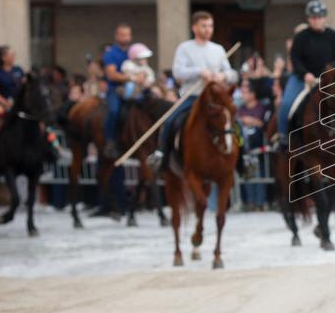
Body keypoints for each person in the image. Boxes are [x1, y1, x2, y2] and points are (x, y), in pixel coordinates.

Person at [148, 11, 238, 172]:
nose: (208, 29)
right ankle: (161, 154)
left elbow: (232, 74)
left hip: (214, 99)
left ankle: (244, 159)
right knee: (170, 121)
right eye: (204, 26)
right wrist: (199, 72)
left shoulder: (218, 49)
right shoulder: (185, 48)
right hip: (192, 97)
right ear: (194, 28)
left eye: (210, 26)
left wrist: (220, 75)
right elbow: (177, 72)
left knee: (235, 122)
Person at [276, 0, 335, 145]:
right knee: (287, 103)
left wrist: (331, 69)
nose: (316, 20)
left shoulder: (334, 36)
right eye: (313, 17)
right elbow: (295, 58)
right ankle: (282, 136)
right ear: (308, 19)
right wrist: (304, 74)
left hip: (328, 80)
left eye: (319, 17)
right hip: (303, 78)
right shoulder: (301, 37)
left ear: (325, 18)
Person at [101, 24, 135, 159]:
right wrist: (132, 77)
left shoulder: (133, 52)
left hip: (134, 89)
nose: (125, 38)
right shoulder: (110, 54)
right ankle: (110, 141)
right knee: (114, 111)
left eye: (128, 35)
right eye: (122, 35)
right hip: (115, 89)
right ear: (116, 36)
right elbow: (112, 75)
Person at [237, 82, 269, 209]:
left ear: (252, 94)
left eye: (244, 92)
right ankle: (250, 202)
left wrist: (251, 121)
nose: (242, 95)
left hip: (259, 145)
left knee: (260, 172)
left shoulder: (261, 107)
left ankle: (260, 202)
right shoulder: (240, 109)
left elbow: (262, 123)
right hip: (245, 147)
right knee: (248, 174)